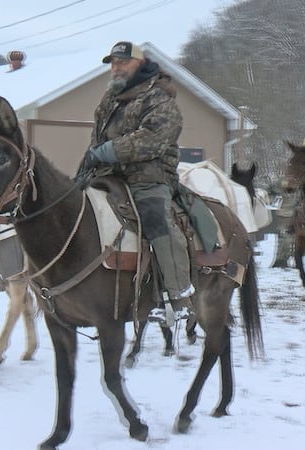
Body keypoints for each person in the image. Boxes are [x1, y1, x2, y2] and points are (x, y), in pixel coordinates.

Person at [80, 41, 193, 327]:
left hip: (149, 177)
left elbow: (153, 140)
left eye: (123, 62)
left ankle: (178, 295)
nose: (116, 67)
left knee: (157, 221)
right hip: (108, 175)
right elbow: (97, 139)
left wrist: (109, 151)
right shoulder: (110, 99)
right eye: (113, 63)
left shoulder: (160, 99)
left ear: (140, 64)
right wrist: (90, 161)